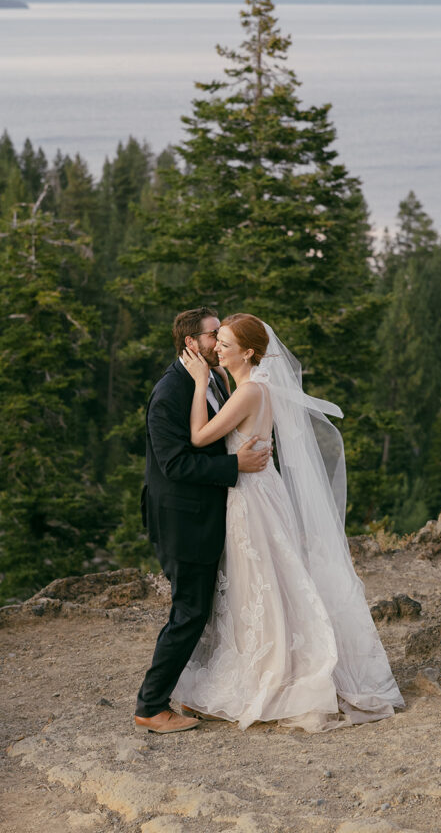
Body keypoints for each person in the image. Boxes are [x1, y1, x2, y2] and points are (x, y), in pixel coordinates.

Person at [174, 313, 404, 731]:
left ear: (248, 352)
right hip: (261, 489)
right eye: (217, 340)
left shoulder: (248, 392)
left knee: (261, 579)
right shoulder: (253, 386)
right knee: (268, 580)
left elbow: (199, 438)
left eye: (225, 343)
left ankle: (277, 672)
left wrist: (198, 383)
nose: (218, 349)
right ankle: (271, 660)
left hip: (253, 498)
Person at [134, 307, 272, 734]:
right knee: (190, 611)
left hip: (210, 514)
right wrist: (235, 466)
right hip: (181, 519)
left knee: (206, 608)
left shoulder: (211, 377)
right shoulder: (169, 392)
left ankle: (194, 692)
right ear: (191, 343)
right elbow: (174, 464)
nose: (222, 339)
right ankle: (151, 707)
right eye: (215, 334)